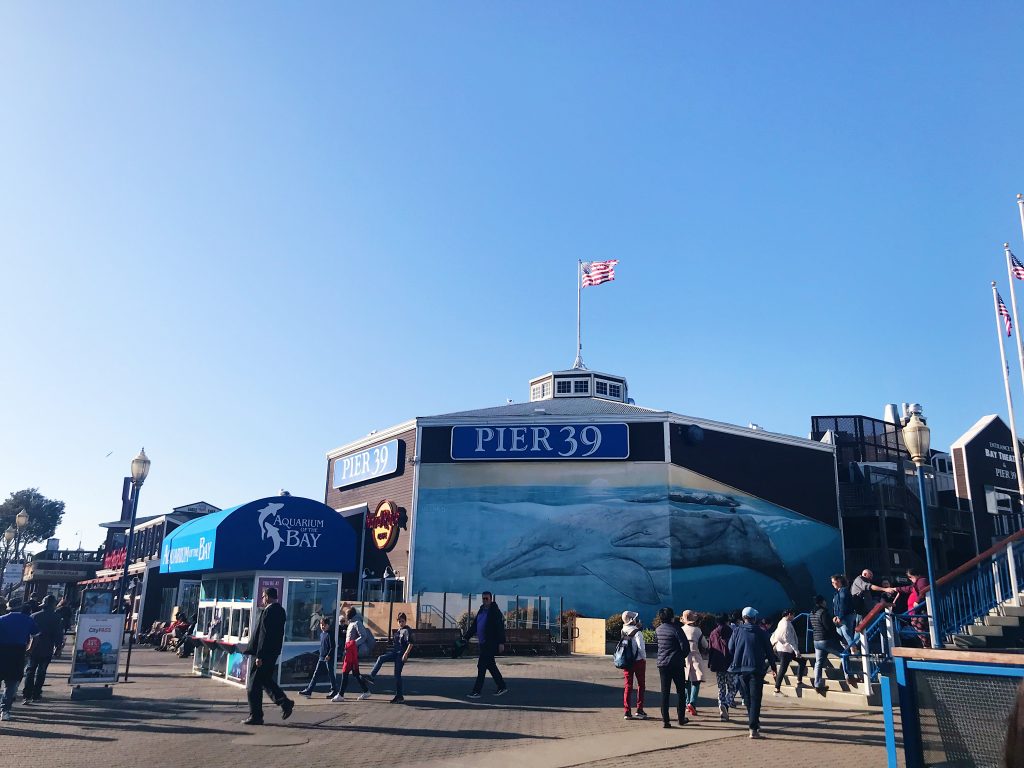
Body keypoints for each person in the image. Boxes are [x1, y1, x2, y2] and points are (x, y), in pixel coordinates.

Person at [242, 586, 294, 725]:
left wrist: (259, 655)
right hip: (272, 652)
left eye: (263, 596)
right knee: (265, 680)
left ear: (268, 597)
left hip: (263, 654)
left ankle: (256, 715)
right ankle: (284, 703)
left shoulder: (269, 611)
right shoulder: (281, 611)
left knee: (253, 686)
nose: (262, 599)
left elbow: (264, 635)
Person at [728, 606, 775, 739]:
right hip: (756, 669)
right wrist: (773, 666)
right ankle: (753, 728)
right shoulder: (761, 632)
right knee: (755, 699)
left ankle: (753, 723)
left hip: (740, 669)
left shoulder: (736, 631)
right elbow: (769, 651)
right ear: (754, 618)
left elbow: (730, 648)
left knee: (747, 698)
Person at [464, 591, 507, 699]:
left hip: (490, 643)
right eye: (483, 599)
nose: (485, 601)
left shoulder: (495, 611)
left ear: (491, 599)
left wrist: (501, 643)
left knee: (481, 666)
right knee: (491, 666)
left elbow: (500, 628)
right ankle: (502, 686)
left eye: (486, 599)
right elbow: (475, 626)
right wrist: (466, 637)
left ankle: (476, 691)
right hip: (483, 643)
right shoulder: (481, 610)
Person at [0, 602, 38, 720]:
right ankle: (5, 711)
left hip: (2, 651)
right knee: (11, 683)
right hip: (18, 653)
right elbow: (36, 635)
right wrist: (30, 649)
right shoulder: (28, 620)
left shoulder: (1, 619)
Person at [367, 611, 415, 703]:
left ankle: (399, 696)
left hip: (401, 655)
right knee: (381, 658)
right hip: (395, 653)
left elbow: (411, 643)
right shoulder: (398, 631)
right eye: (399, 621)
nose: (401, 623)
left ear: (405, 621)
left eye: (403, 621)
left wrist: (406, 654)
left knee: (397, 675)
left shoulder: (407, 630)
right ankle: (371, 677)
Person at [654, 607, 690, 728]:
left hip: (662, 664)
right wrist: (680, 656)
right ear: (671, 617)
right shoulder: (677, 629)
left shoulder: (658, 630)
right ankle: (681, 718)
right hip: (676, 664)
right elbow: (685, 647)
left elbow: (657, 646)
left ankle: (666, 720)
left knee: (665, 692)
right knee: (680, 691)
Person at [23, 594, 62, 703]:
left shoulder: (34, 616)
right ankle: (36, 694)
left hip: (33, 647)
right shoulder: (56, 617)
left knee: (30, 671)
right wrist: (58, 647)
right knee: (42, 671)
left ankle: (27, 695)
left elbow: (28, 632)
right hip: (47, 647)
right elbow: (58, 634)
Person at [809, 594, 851, 691]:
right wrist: (840, 638)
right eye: (824, 601)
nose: (826, 603)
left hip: (816, 641)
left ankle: (817, 683)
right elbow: (829, 628)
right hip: (826, 640)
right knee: (845, 655)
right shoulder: (823, 613)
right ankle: (848, 676)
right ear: (822, 602)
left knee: (818, 662)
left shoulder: (812, 613)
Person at [333, 607, 372, 701]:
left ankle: (341, 694)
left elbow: (364, 636)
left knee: (345, 671)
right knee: (355, 673)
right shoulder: (351, 623)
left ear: (350, 615)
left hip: (351, 650)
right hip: (350, 649)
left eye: (347, 614)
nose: (346, 616)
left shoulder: (357, 623)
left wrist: (354, 643)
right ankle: (366, 691)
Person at [889, 568, 930, 648]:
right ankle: (926, 644)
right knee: (917, 626)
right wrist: (896, 589)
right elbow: (908, 588)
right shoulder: (916, 584)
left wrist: (917, 601)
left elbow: (923, 591)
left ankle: (927, 644)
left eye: (911, 577)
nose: (910, 579)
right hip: (916, 611)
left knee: (919, 625)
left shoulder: (922, 581)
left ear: (916, 575)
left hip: (920, 610)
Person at [299, 617, 338, 699]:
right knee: (315, 674)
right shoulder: (322, 634)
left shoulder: (330, 634)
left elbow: (333, 646)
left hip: (328, 658)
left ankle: (334, 690)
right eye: (321, 625)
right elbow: (322, 646)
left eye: (324, 625)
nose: (322, 626)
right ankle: (309, 691)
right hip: (321, 657)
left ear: (328, 625)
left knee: (330, 674)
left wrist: (329, 655)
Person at [769, 607, 805, 696]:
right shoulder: (786, 625)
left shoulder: (782, 622)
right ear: (789, 614)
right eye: (793, 614)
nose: (794, 616)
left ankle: (799, 681)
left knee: (802, 661)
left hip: (784, 649)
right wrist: (797, 651)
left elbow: (775, 634)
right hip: (785, 650)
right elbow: (789, 639)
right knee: (782, 669)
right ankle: (777, 690)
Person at [618, 611, 647, 720]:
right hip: (638, 661)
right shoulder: (637, 633)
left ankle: (627, 711)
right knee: (641, 685)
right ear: (632, 620)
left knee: (628, 685)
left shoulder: (623, 630)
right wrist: (644, 658)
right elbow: (641, 648)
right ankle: (639, 710)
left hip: (626, 661)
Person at [707, 613, 736, 721]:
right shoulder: (731, 631)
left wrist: (710, 663)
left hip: (717, 664)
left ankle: (721, 708)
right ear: (726, 620)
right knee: (732, 687)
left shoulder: (713, 633)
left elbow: (710, 649)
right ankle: (727, 704)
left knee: (721, 688)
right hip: (729, 664)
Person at [680, 610, 708, 717]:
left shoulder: (681, 630)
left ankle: (687, 703)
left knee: (686, 681)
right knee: (696, 681)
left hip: (684, 658)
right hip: (695, 657)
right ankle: (692, 703)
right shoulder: (697, 631)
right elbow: (705, 645)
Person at [831, 574, 857, 648]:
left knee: (846, 634)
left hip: (845, 616)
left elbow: (842, 605)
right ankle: (847, 651)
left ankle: (854, 650)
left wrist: (839, 617)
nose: (832, 584)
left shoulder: (843, 591)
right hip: (840, 616)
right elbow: (837, 606)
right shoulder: (838, 592)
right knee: (840, 635)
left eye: (833, 582)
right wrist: (835, 616)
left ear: (838, 581)